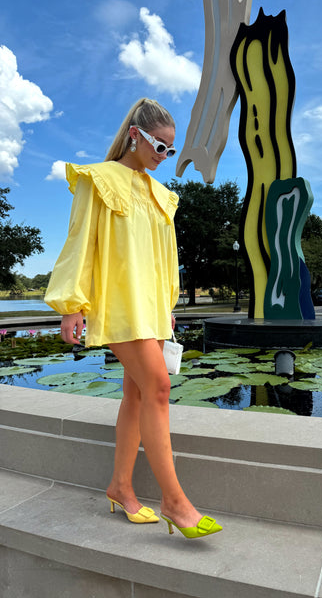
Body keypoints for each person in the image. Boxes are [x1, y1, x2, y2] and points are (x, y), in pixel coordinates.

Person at [45, 98, 222, 539]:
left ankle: (121, 487)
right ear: (135, 136)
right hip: (119, 303)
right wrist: (71, 304)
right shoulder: (98, 180)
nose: (164, 157)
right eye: (159, 147)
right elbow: (79, 241)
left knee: (138, 395)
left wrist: (167, 305)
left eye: (169, 150)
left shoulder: (162, 195)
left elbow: (166, 259)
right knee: (159, 386)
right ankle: (174, 501)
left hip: (150, 308)